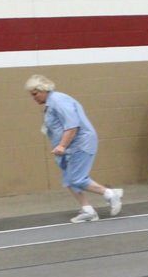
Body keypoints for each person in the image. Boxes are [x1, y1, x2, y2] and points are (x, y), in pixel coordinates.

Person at [25, 75, 123, 223]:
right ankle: (88, 210)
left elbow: (72, 126)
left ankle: (110, 194)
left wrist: (62, 145)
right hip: (67, 147)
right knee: (68, 179)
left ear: (43, 90)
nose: (33, 98)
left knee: (77, 178)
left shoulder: (58, 100)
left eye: (35, 94)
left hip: (80, 143)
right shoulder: (50, 104)